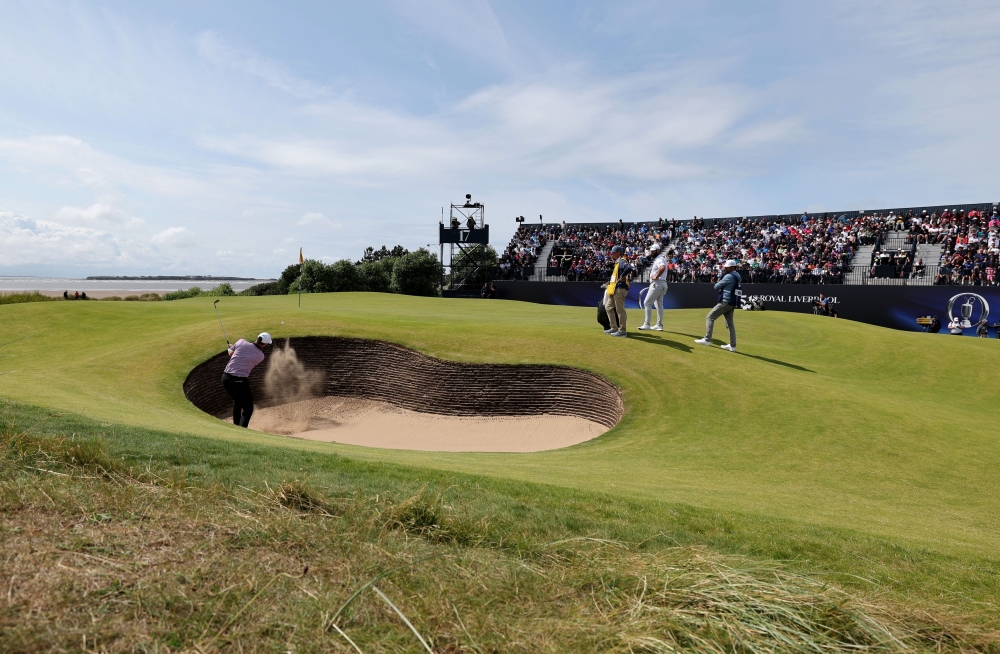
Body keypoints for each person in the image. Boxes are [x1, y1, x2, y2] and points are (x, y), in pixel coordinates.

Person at [221, 332, 272, 428]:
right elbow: (243, 356)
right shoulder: (260, 356)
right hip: (239, 382)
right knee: (248, 409)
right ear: (265, 344)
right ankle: (241, 430)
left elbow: (231, 354)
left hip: (226, 378)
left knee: (237, 401)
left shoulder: (241, 342)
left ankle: (236, 427)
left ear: (257, 338)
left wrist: (230, 347)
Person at [695, 259, 741, 352]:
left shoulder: (729, 276)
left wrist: (719, 281)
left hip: (725, 301)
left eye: (727, 267)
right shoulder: (738, 275)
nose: (726, 269)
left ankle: (707, 339)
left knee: (709, 317)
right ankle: (733, 346)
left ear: (732, 267)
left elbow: (716, 286)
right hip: (732, 302)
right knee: (729, 323)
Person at [603, 245, 634, 338]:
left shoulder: (622, 261)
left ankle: (622, 331)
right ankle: (614, 328)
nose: (612, 254)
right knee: (608, 307)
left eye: (613, 252)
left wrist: (623, 276)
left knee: (620, 310)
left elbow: (629, 268)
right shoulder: (617, 262)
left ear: (619, 253)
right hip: (615, 289)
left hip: (620, 289)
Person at [638, 242, 667, 331]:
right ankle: (659, 325)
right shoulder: (661, 258)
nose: (652, 253)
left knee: (647, 302)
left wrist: (656, 276)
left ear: (658, 251)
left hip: (657, 284)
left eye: (653, 251)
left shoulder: (659, 259)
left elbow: (662, 267)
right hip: (662, 284)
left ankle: (647, 324)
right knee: (659, 305)